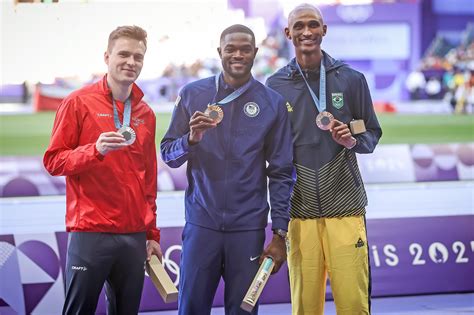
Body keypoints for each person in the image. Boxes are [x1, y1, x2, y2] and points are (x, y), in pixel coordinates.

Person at [160, 24, 294, 315]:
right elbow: (169, 155)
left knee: (242, 311)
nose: (238, 55)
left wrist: (280, 233)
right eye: (230, 49)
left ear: (255, 53)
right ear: (219, 52)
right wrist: (190, 140)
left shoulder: (272, 104)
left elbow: (282, 171)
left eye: (245, 49)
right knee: (191, 309)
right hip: (201, 224)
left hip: (248, 228)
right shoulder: (193, 94)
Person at [266, 4, 382, 315]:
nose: (307, 31)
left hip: (345, 206)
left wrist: (352, 139)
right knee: (304, 305)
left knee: (353, 304)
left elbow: (371, 131)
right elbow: (271, 152)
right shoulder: (274, 86)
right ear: (288, 33)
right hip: (299, 209)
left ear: (324, 30)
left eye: (313, 25)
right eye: (299, 26)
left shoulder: (350, 79)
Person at [43, 25, 162, 314]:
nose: (131, 62)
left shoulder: (146, 114)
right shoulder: (77, 102)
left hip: (133, 235)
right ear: (107, 56)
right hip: (90, 233)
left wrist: (152, 235)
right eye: (123, 54)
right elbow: (54, 161)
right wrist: (94, 151)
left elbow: (148, 181)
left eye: (138, 57)